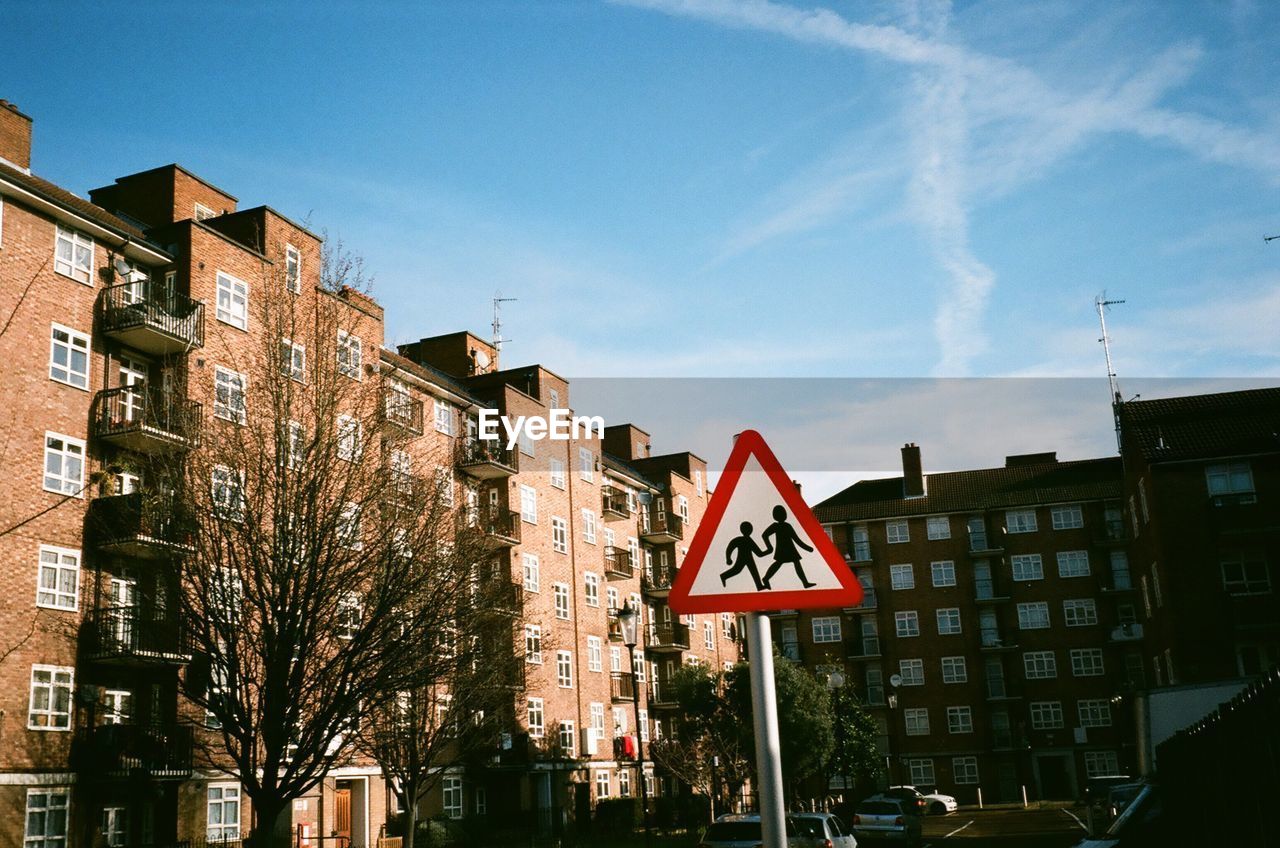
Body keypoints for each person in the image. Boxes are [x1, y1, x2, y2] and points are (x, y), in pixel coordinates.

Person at [762, 505, 816, 589]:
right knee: (780, 563)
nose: (784, 515)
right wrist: (769, 547)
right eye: (783, 513)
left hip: (789, 549)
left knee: (792, 563)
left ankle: (805, 583)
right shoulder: (778, 526)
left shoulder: (786, 526)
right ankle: (766, 578)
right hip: (784, 549)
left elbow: (796, 539)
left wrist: (807, 548)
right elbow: (764, 535)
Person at [722, 521, 768, 591]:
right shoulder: (741, 540)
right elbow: (730, 547)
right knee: (737, 570)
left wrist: (768, 551)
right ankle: (723, 576)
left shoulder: (748, 540)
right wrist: (728, 558)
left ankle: (759, 586)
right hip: (742, 559)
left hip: (749, 559)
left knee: (754, 571)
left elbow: (759, 553)